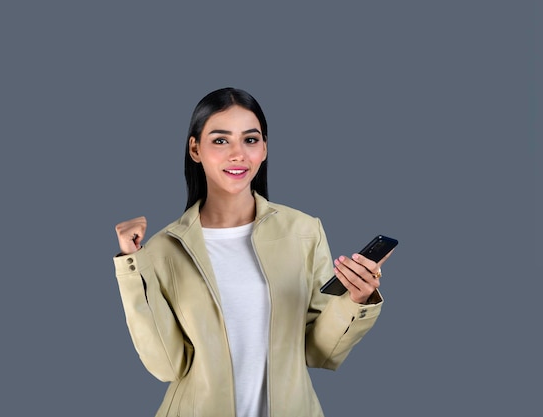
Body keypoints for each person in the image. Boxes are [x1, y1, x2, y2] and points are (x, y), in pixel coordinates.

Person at [113, 87, 394, 417]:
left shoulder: (304, 231)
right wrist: (131, 266)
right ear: (195, 149)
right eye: (220, 140)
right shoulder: (163, 249)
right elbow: (167, 366)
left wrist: (356, 301)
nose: (238, 154)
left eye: (250, 139)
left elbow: (317, 350)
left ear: (264, 149)